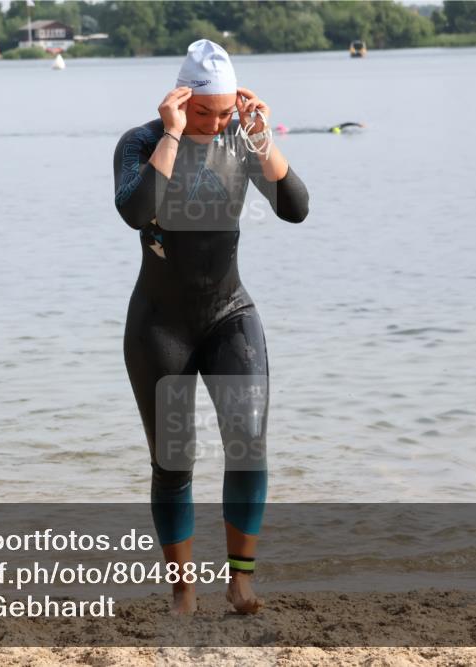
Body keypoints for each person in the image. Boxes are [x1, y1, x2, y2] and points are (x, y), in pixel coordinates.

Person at [113, 39, 309, 615]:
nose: (217, 122)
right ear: (178, 101)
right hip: (161, 326)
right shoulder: (143, 142)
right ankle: (182, 591)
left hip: (229, 315)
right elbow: (135, 211)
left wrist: (260, 139)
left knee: (248, 446)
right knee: (174, 460)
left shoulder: (240, 140)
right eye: (206, 113)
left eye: (225, 113)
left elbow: (295, 207)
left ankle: (241, 580)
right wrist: (173, 135)